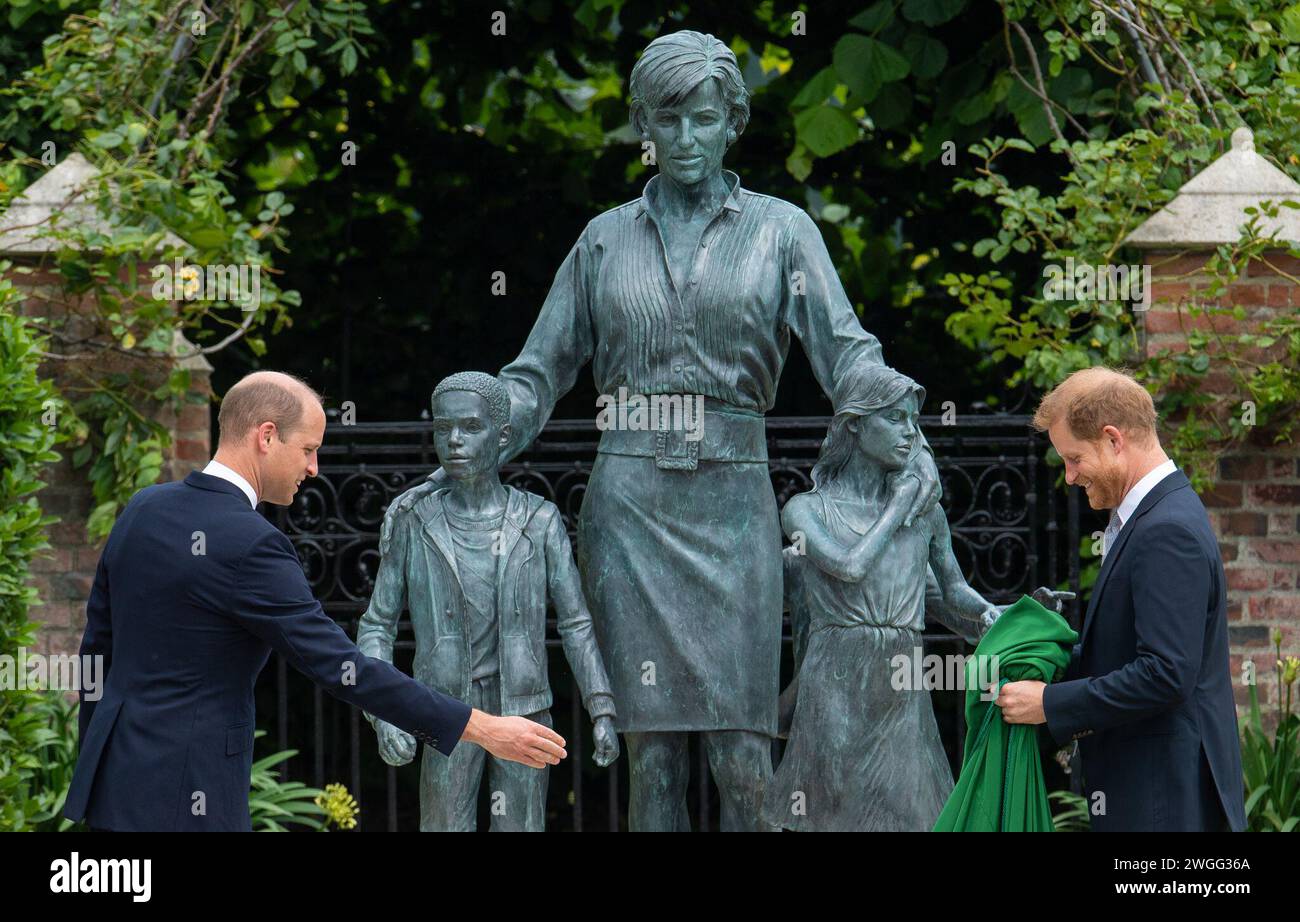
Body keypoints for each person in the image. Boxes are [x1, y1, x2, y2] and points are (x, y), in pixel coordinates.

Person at [385, 30, 941, 832]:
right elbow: (538, 373)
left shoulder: (783, 232)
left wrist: (906, 432)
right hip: (631, 510)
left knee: (745, 754)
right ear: (645, 125)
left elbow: (847, 354)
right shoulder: (604, 239)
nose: (686, 140)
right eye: (669, 121)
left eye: (705, 119)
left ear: (732, 122)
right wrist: (478, 433)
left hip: (732, 502)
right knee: (652, 760)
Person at [64, 371, 566, 832]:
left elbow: (97, 651)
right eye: (307, 449)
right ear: (266, 437)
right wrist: (480, 726)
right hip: (191, 791)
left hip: (114, 781)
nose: (314, 467)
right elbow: (342, 667)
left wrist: (98, 754)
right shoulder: (251, 544)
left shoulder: (142, 510)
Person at [359, 372, 619, 831]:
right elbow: (377, 626)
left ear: (502, 436)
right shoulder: (414, 523)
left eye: (470, 427)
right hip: (443, 711)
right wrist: (385, 714)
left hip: (524, 707)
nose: (454, 441)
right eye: (443, 429)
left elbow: (575, 623)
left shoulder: (539, 522)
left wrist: (601, 706)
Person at [997, 366, 1247, 831]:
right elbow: (1127, 654)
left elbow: (1165, 674)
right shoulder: (1151, 517)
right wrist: (1041, 661)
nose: (1070, 477)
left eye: (1074, 458)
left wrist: (1050, 703)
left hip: (1164, 803)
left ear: (1114, 439)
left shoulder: (1166, 529)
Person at [764, 362, 1000, 831]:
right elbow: (850, 567)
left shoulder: (926, 516)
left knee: (913, 814)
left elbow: (954, 595)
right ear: (854, 424)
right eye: (894, 418)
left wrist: (1007, 613)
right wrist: (897, 507)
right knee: (832, 813)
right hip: (836, 679)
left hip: (902, 684)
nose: (910, 433)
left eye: (914, 420)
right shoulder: (807, 510)